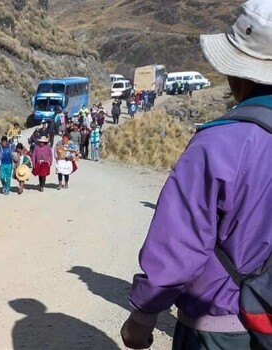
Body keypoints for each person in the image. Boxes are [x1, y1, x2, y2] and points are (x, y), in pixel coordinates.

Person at [121, 2, 272, 349]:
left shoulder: (218, 143)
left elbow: (179, 243)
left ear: (237, 75)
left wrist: (142, 318)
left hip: (224, 329)